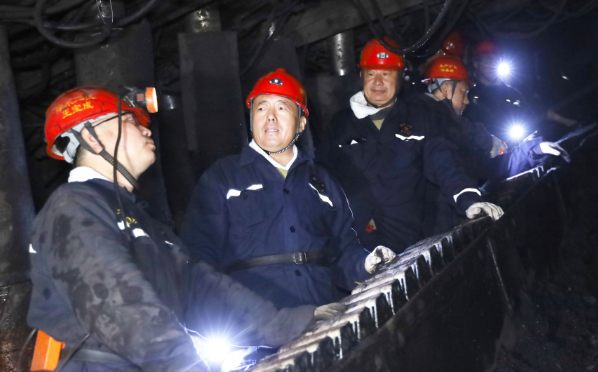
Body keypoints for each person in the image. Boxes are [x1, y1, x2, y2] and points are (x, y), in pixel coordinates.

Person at [24, 87, 330, 372]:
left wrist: (290, 323)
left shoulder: (143, 222)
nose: (146, 129)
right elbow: (114, 298)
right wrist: (181, 369)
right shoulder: (73, 206)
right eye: (130, 121)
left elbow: (202, 287)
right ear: (92, 137)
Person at [180, 69, 395, 310]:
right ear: (251, 120)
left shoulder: (322, 183)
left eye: (282, 108)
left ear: (301, 123)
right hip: (257, 321)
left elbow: (343, 251)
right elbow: (199, 256)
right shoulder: (223, 178)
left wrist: (367, 263)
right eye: (261, 108)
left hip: (324, 313)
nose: (270, 117)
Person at [317, 38, 504, 253]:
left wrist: (469, 200)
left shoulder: (420, 118)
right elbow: (322, 177)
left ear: (400, 78)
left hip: (409, 244)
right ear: (361, 76)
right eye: (371, 73)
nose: (378, 82)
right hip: (357, 248)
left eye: (386, 73)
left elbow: (444, 162)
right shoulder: (340, 124)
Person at [408, 55, 570, 236]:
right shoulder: (421, 121)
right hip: (427, 229)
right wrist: (468, 199)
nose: (467, 101)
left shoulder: (454, 135)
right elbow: (443, 163)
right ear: (446, 89)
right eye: (463, 92)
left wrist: (531, 150)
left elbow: (488, 167)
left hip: (445, 224)